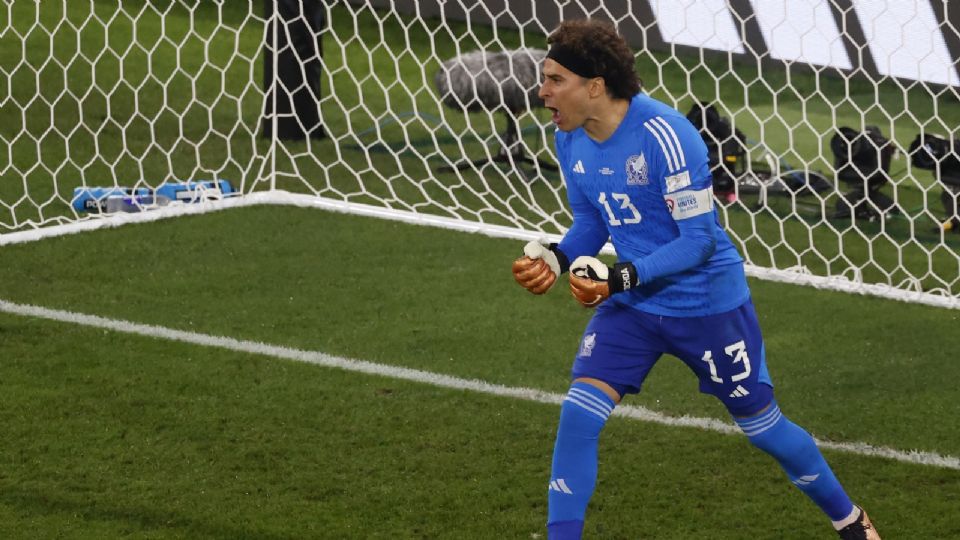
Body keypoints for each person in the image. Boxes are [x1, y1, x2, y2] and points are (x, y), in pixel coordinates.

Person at [511, 19, 880, 540]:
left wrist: (620, 277)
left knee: (764, 427)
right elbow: (594, 220)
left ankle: (851, 522)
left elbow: (698, 240)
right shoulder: (569, 139)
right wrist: (558, 257)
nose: (542, 91)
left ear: (594, 85)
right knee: (578, 415)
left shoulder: (665, 134)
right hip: (634, 305)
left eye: (554, 79)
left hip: (706, 304)